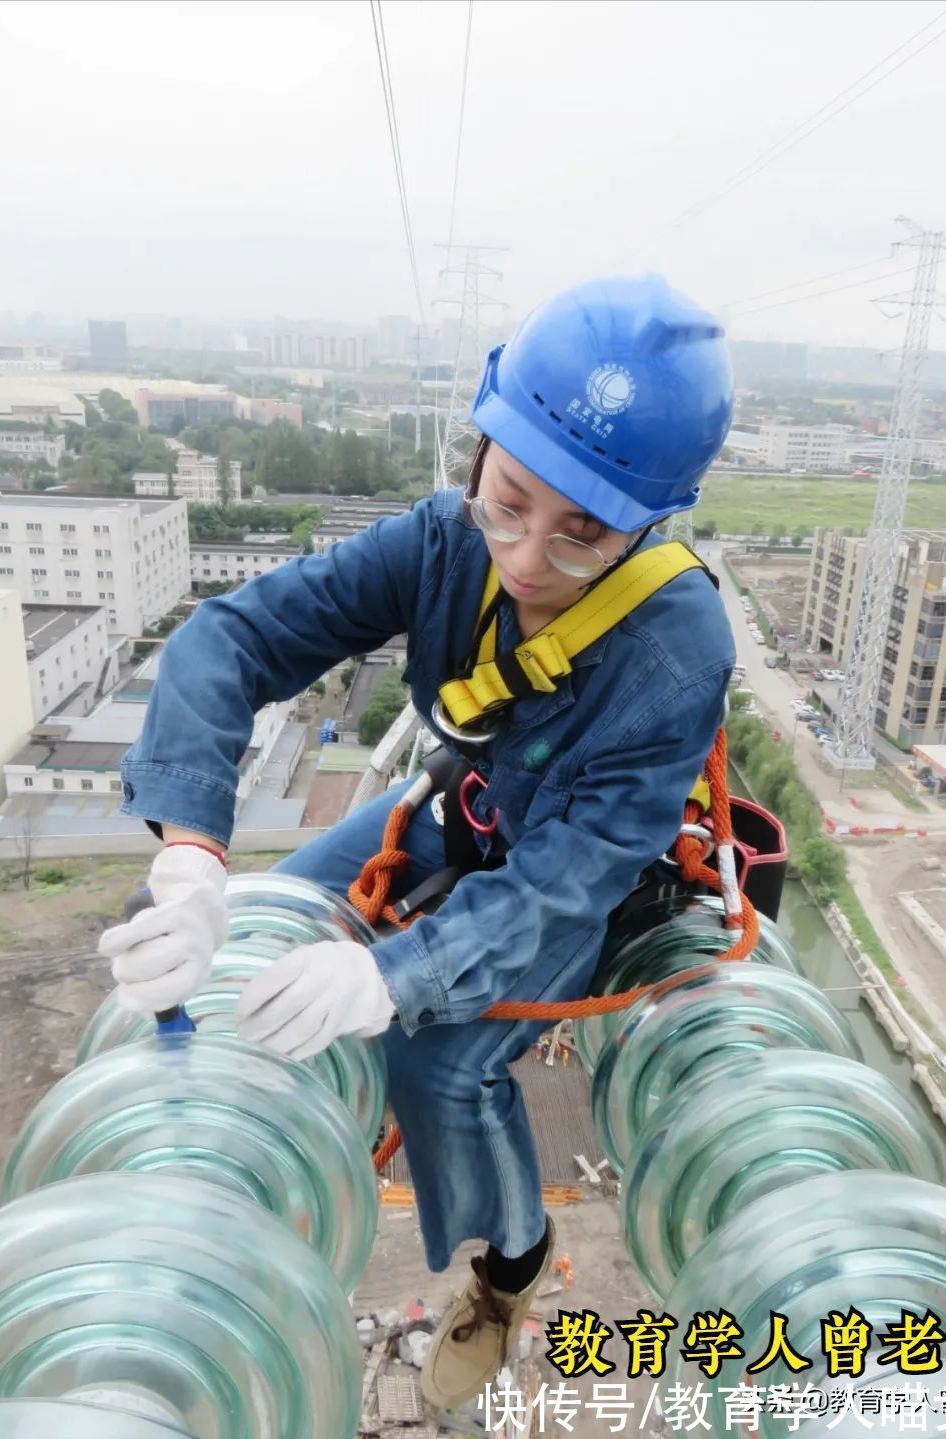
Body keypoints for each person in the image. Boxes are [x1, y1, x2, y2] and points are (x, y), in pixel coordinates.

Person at [99, 273, 736, 1410]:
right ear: (478, 458)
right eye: (509, 500)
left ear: (648, 523)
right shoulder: (442, 544)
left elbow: (559, 885)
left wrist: (392, 975)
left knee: (437, 1059)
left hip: (576, 868)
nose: (529, 557)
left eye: (581, 533)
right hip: (471, 803)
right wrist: (193, 854)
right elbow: (235, 640)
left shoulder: (673, 651)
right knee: (265, 919)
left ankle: (509, 1262)